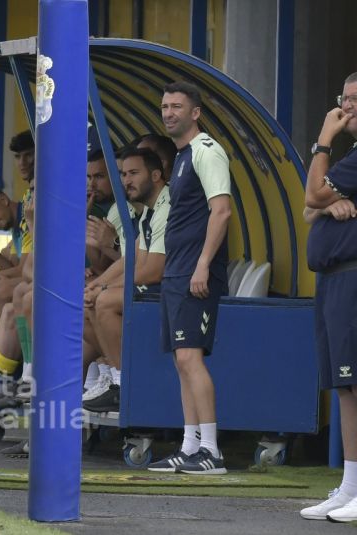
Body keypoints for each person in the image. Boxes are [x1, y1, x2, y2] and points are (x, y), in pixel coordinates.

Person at [146, 81, 231, 475]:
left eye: (177, 106)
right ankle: (189, 444)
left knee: (191, 357)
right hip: (177, 269)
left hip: (196, 272)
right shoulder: (180, 156)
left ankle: (211, 451)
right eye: (164, 106)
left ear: (196, 112)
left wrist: (202, 266)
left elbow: (221, 212)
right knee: (182, 360)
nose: (168, 113)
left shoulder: (207, 151)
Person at [300, 72, 357, 522]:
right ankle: (350, 486)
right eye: (346, 98)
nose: (349, 106)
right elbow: (308, 206)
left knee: (355, 383)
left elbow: (311, 193)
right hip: (334, 279)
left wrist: (323, 137)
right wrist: (327, 201)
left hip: (353, 278)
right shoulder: (352, 156)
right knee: (344, 387)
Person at [84, 147, 169, 412]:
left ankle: (125, 383)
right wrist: (95, 285)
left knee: (106, 301)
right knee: (89, 299)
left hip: (178, 291)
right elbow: (131, 259)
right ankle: (111, 376)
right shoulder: (147, 211)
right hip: (159, 288)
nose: (126, 181)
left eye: (133, 173)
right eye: (122, 174)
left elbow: (153, 269)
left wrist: (105, 287)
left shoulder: (167, 206)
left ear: (156, 176)